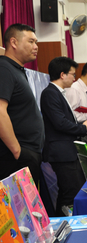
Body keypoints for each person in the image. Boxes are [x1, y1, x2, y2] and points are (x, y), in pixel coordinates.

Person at [40, 57, 87, 216]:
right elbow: (60, 123)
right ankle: (62, 228)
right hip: (61, 153)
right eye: (72, 74)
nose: (74, 77)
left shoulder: (59, 93)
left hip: (68, 151)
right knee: (69, 193)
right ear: (62, 74)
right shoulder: (49, 93)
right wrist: (83, 128)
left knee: (73, 190)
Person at [0, 24, 44, 184]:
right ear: (13, 42)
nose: (36, 47)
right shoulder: (4, 68)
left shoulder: (16, 70)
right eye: (31, 41)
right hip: (15, 157)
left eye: (36, 42)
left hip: (27, 154)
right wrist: (17, 150)